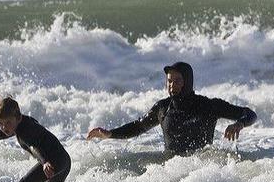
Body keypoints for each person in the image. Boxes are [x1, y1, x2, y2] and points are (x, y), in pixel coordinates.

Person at [87, 61, 256, 155]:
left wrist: (239, 124)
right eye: (169, 81)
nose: (172, 85)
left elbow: (249, 114)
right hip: (171, 174)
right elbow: (138, 127)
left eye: (177, 81)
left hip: (202, 172)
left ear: (187, 82)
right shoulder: (163, 108)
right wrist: (110, 134)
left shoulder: (208, 105)